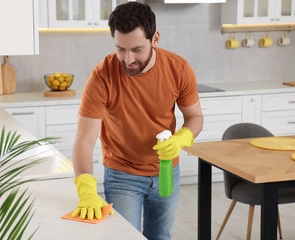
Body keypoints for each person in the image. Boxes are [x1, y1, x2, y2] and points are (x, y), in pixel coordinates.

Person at [71, 2, 203, 239]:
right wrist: (85, 187)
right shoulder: (102, 76)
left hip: (167, 170)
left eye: (137, 49)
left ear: (155, 39)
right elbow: (84, 139)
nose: (128, 59)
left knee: (161, 237)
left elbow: (194, 117)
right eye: (121, 49)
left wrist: (182, 139)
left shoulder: (179, 69)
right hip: (122, 175)